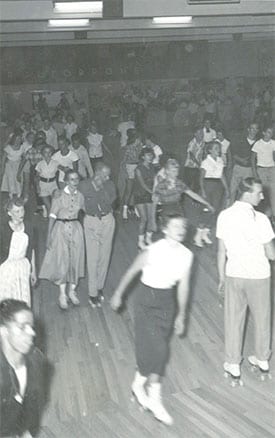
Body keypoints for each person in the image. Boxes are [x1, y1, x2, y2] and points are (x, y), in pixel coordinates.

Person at [111, 213, 193, 426]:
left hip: (167, 301)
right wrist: (119, 294)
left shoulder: (187, 255)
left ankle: (138, 383)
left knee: (159, 347)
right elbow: (131, 272)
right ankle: (155, 399)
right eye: (175, 225)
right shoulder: (152, 251)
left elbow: (183, 286)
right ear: (165, 229)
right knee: (159, 349)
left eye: (182, 225)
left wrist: (182, 314)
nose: (180, 229)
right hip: (146, 300)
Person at [216, 178, 275, 382]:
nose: (262, 196)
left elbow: (221, 250)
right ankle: (262, 359)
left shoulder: (224, 215)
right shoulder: (262, 219)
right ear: (247, 194)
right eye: (259, 192)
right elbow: (271, 254)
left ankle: (233, 364)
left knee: (234, 319)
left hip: (234, 274)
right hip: (259, 276)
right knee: (263, 319)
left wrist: (221, 277)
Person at [0, 299, 48, 437]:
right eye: (22, 327)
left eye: (31, 327)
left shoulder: (36, 359)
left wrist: (24, 431)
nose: (32, 333)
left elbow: (31, 405)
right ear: (3, 331)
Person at [39, 170, 85, 310]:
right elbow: (52, 216)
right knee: (62, 261)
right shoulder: (58, 195)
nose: (74, 182)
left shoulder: (81, 196)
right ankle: (62, 295)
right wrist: (49, 236)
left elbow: (86, 211)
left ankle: (72, 291)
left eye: (76, 179)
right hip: (60, 229)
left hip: (76, 229)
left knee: (75, 260)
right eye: (71, 179)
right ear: (65, 181)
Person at [79, 163, 116, 308]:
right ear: (96, 172)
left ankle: (100, 287)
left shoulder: (110, 185)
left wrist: (101, 188)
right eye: (104, 174)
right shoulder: (83, 185)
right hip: (91, 221)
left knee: (104, 255)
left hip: (107, 220)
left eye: (109, 175)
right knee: (93, 256)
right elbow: (76, 200)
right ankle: (92, 293)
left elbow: (109, 202)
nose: (107, 177)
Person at [0, 198, 36, 307]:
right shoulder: (2, 228)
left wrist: (33, 270)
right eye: (17, 211)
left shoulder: (29, 226)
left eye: (22, 210)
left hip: (23, 267)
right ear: (9, 213)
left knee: (22, 299)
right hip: (6, 268)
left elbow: (32, 249)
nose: (21, 214)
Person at [198, 140, 230, 246]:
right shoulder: (205, 162)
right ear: (210, 150)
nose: (218, 150)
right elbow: (201, 178)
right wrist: (202, 190)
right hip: (208, 185)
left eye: (219, 148)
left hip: (218, 187)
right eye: (216, 148)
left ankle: (205, 232)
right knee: (207, 210)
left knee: (215, 210)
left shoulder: (220, 160)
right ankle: (198, 235)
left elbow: (221, 176)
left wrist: (227, 189)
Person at [251, 125, 275, 226]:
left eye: (272, 133)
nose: (270, 134)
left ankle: (273, 216)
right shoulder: (258, 144)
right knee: (263, 194)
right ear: (264, 133)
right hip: (261, 169)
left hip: (272, 169)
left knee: (273, 194)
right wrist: (255, 173)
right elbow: (252, 160)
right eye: (268, 132)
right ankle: (262, 217)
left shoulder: (273, 143)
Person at [133, 147, 156, 249]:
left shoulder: (152, 167)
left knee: (151, 218)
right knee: (144, 219)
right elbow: (142, 184)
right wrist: (153, 192)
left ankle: (148, 238)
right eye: (148, 155)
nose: (150, 157)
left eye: (151, 155)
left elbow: (156, 180)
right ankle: (140, 241)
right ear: (143, 156)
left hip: (150, 194)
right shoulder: (138, 169)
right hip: (140, 194)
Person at [230, 122, 258, 203]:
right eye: (252, 128)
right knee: (233, 191)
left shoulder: (258, 143)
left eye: (256, 129)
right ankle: (230, 209)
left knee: (245, 192)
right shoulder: (240, 140)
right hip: (238, 168)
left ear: (257, 131)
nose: (253, 131)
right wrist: (241, 160)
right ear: (248, 129)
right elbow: (233, 154)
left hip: (249, 170)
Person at [121, 128, 143, 220]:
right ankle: (124, 211)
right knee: (129, 190)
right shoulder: (129, 147)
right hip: (130, 168)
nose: (140, 141)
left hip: (137, 168)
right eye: (139, 139)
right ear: (136, 139)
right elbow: (127, 160)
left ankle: (136, 209)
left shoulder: (139, 147)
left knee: (136, 190)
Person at [35, 145, 59, 217]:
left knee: (54, 205)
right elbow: (37, 176)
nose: (48, 154)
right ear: (42, 153)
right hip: (43, 185)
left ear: (52, 153)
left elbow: (62, 169)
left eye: (49, 152)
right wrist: (37, 186)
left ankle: (54, 220)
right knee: (48, 205)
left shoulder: (55, 163)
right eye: (45, 152)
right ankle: (50, 222)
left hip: (53, 185)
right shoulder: (40, 164)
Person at [1, 132, 25, 198]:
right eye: (16, 139)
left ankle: (19, 193)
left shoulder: (22, 147)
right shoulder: (8, 147)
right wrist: (2, 169)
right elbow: (3, 160)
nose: (18, 141)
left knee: (18, 179)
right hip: (9, 165)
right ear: (13, 139)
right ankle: (11, 194)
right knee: (10, 178)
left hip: (18, 164)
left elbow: (24, 157)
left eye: (19, 139)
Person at [184, 126, 205, 192]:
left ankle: (194, 201)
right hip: (190, 167)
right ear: (195, 134)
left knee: (197, 185)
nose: (201, 135)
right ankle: (181, 200)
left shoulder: (203, 143)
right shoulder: (192, 143)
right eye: (199, 133)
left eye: (202, 133)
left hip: (198, 168)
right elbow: (191, 156)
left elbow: (203, 154)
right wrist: (199, 165)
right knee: (186, 185)